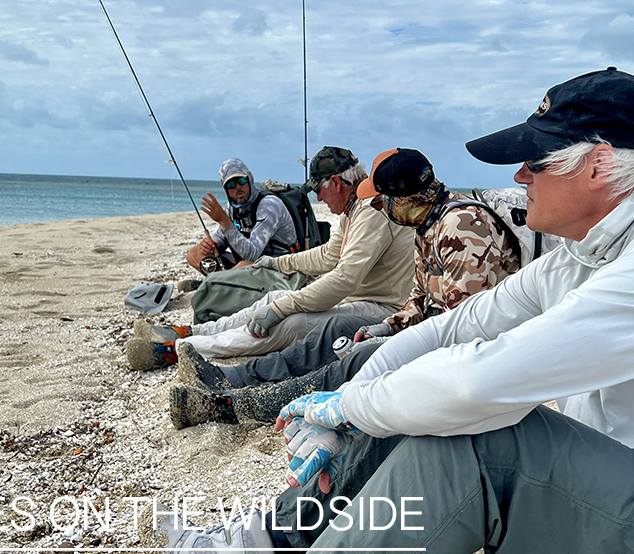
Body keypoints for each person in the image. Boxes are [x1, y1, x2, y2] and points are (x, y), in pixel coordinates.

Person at [161, 68, 634, 554]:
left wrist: (345, 408)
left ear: (599, 163)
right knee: (416, 394)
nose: (516, 177)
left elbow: (483, 376)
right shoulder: (592, 252)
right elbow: (460, 326)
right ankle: (256, 550)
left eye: (536, 161)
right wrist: (362, 393)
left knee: (472, 437)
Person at [169, 147, 522, 429]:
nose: (379, 208)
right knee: (340, 345)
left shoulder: (461, 227)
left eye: (383, 200)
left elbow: (462, 326)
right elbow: (420, 299)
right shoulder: (427, 223)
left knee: (346, 359)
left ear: (405, 198)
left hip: (461, 359)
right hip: (424, 330)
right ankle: (229, 377)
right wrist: (389, 326)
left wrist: (388, 340)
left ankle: (230, 404)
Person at [127, 146, 414, 371]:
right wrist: (275, 263)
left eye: (318, 190)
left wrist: (284, 308)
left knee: (291, 322)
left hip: (381, 309)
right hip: (358, 300)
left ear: (336, 183)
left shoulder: (370, 211)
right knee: (273, 299)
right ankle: (191, 332)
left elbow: (345, 278)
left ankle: (181, 349)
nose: (318, 199)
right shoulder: (354, 210)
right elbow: (328, 255)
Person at [185, 158, 299, 273]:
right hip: (244, 265)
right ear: (226, 190)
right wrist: (210, 245)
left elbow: (251, 255)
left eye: (242, 180)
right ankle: (222, 281)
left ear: (250, 179)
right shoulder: (232, 208)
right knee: (194, 253)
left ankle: (219, 282)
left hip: (277, 267)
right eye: (231, 184)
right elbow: (221, 239)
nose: (238, 187)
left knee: (244, 265)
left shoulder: (269, 205)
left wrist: (224, 220)